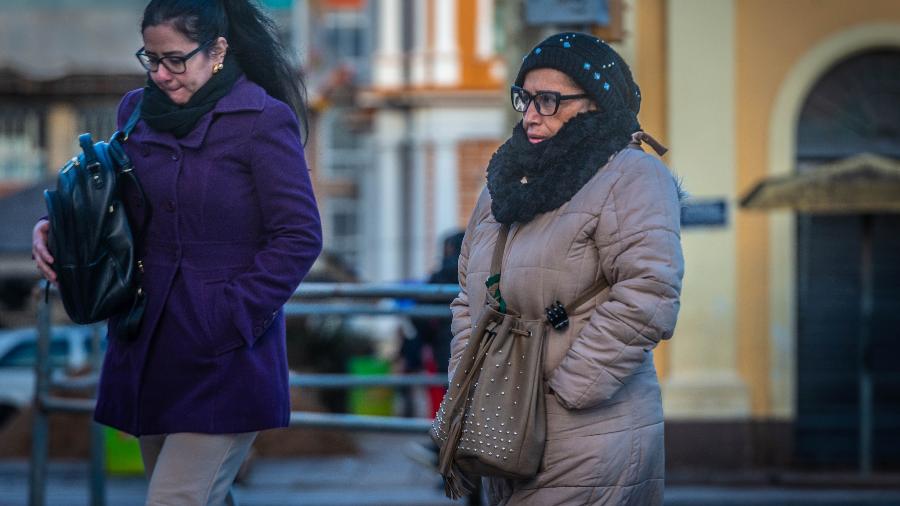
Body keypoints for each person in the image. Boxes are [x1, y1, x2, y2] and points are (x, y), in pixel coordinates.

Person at [31, 1, 322, 504]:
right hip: (146, 344)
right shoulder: (134, 111)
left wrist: (227, 317)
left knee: (174, 500)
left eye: (175, 60)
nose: (161, 74)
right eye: (151, 59)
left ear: (218, 51)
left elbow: (299, 236)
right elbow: (118, 210)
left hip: (224, 359)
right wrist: (59, 229)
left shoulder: (262, 121)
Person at [448, 33, 684, 505]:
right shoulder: (503, 185)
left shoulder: (630, 176)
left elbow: (650, 291)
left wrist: (568, 390)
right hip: (503, 425)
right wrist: (468, 379)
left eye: (550, 100)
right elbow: (466, 297)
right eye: (526, 98)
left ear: (596, 104)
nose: (531, 114)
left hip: (589, 434)